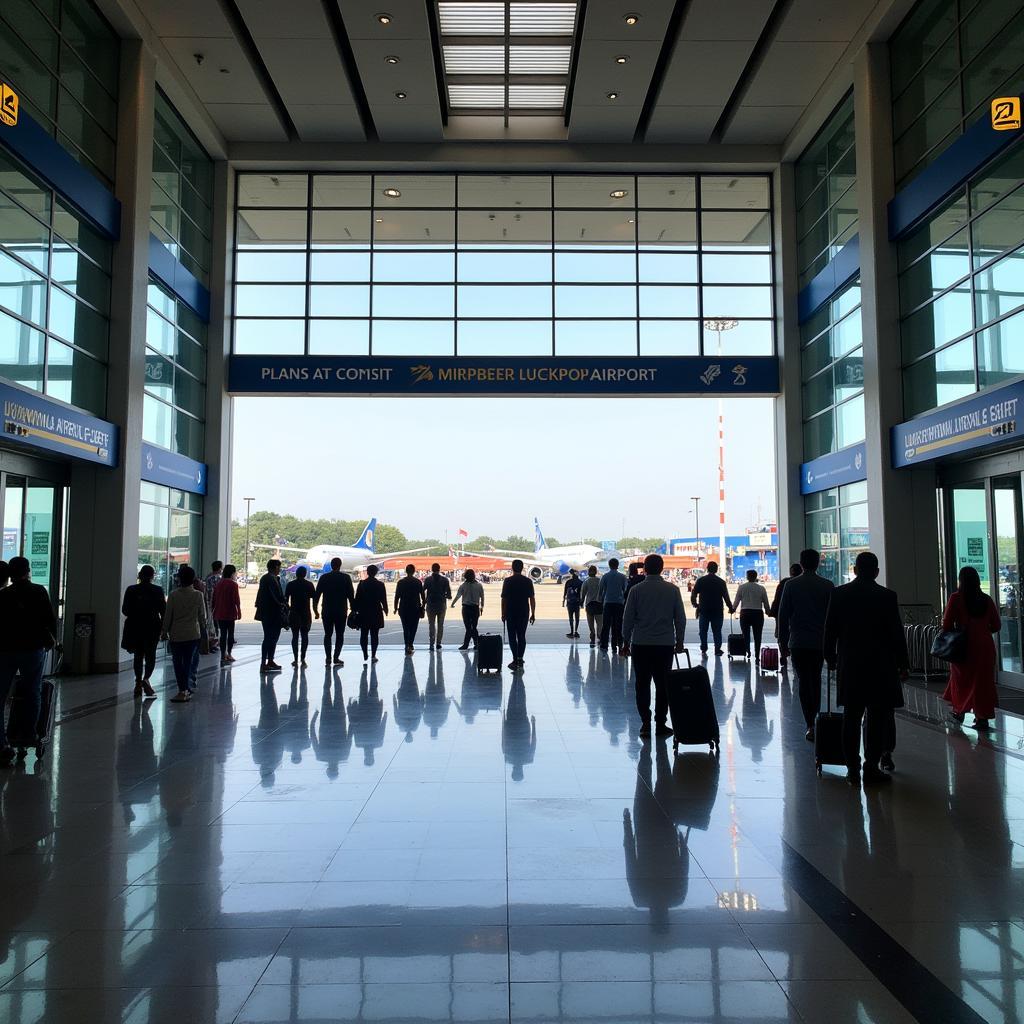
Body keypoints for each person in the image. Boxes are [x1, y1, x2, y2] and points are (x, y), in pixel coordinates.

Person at [824, 552, 909, 786]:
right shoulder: (887, 596)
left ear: (854, 570)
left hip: (850, 665)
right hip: (881, 666)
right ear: (877, 572)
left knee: (851, 717)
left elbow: (830, 629)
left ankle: (852, 767)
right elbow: (896, 634)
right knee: (877, 717)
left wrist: (830, 657)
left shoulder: (839, 594)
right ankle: (871, 766)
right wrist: (903, 663)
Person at [621, 554, 687, 739]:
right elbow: (680, 618)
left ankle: (645, 724)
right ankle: (660, 723)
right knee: (663, 685)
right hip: (664, 645)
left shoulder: (636, 590)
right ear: (662, 568)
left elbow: (628, 619)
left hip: (641, 644)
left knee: (642, 685)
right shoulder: (673, 590)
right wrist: (679, 641)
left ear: (645, 569)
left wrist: (625, 641)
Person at [0, 556, 57, 763]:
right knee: (33, 691)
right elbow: (49, 619)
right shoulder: (38, 591)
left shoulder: (4, 595)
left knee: (2, 694)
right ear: (28, 571)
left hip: (5, 649)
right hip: (33, 648)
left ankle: (2, 743)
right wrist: (53, 639)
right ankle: (28, 733)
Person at [777, 549, 835, 740]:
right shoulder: (827, 586)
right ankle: (816, 718)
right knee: (816, 679)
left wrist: (782, 644)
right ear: (818, 563)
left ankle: (809, 723)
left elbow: (783, 616)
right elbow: (833, 619)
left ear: (801, 564)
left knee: (803, 681)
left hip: (798, 643)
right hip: (819, 643)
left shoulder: (791, 585)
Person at [941, 565, 1001, 731]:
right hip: (985, 647)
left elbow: (946, 624)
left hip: (964, 646)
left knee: (961, 680)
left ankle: (959, 711)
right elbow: (996, 625)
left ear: (961, 581)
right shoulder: (986, 600)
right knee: (983, 682)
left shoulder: (956, 598)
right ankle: (982, 718)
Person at [161, 564, 208, 703]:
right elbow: (202, 617)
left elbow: (168, 616)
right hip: (193, 634)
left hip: (176, 634)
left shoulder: (174, 595)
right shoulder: (198, 595)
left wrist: (164, 632)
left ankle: (182, 689)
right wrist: (204, 633)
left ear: (179, 579)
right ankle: (187, 688)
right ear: (193, 579)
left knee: (177, 662)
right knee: (188, 662)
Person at [121, 564, 166, 697]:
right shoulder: (158, 590)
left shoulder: (131, 590)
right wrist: (165, 628)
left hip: (135, 626)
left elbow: (125, 610)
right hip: (152, 626)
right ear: (153, 576)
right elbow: (163, 610)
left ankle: (138, 683)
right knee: (151, 654)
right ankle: (146, 679)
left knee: (138, 655)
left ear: (140, 575)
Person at [315, 557, 355, 667]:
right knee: (340, 634)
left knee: (327, 634)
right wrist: (354, 609)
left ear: (331, 565)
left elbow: (317, 595)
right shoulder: (346, 578)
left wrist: (315, 610)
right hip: (341, 611)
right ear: (340, 565)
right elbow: (351, 595)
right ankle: (336, 657)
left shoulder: (324, 578)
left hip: (327, 610)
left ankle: (328, 657)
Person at [690, 561, 734, 656]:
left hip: (704, 610)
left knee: (703, 631)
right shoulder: (721, 582)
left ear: (707, 569)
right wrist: (731, 608)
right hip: (717, 611)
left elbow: (694, 593)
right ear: (716, 569)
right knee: (717, 631)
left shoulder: (701, 580)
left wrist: (695, 604)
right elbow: (726, 597)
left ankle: (704, 648)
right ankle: (717, 649)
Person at [501, 559, 536, 670]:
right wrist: (533, 613)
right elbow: (532, 599)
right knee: (521, 636)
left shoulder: (507, 581)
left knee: (512, 637)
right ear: (522, 568)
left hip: (511, 612)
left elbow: (504, 599)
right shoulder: (528, 581)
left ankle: (515, 659)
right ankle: (520, 659)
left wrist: (503, 613)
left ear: (512, 567)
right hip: (523, 612)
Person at [255, 559, 288, 673]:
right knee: (270, 637)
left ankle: (269, 661)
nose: (280, 569)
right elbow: (273, 595)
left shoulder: (269, 578)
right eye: (279, 567)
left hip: (269, 612)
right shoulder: (270, 579)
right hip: (271, 613)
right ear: (275, 567)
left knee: (272, 638)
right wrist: (281, 604)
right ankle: (265, 662)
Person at [735, 569, 772, 662]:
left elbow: (737, 601)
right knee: (757, 635)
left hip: (745, 613)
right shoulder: (761, 588)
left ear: (747, 577)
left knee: (745, 635)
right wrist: (768, 611)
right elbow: (766, 603)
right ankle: (757, 655)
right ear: (756, 577)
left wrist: (732, 609)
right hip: (757, 614)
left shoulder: (742, 587)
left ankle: (747, 651)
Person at [770, 563, 802, 668]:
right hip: (797, 615)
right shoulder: (802, 583)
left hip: (782, 613)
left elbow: (777, 597)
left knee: (782, 634)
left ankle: (784, 654)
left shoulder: (785, 582)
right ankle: (793, 655)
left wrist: (773, 611)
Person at [354, 564, 388, 663]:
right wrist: (385, 609)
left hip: (364, 612)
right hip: (376, 611)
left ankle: (365, 652)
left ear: (367, 572)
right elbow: (383, 599)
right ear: (376, 572)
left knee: (363, 634)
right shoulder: (380, 585)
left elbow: (357, 599)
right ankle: (373, 655)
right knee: (374, 634)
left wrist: (355, 610)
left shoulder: (361, 584)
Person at [285, 565, 317, 667]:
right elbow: (314, 599)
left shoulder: (290, 584)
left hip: (294, 613)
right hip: (305, 613)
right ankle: (303, 659)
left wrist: (288, 611)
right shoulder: (309, 585)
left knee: (295, 636)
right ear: (305, 574)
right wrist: (315, 611)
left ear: (296, 574)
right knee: (305, 636)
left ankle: (295, 659)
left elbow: (286, 600)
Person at [211, 563, 241, 664]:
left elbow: (214, 599)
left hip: (219, 612)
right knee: (231, 634)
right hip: (230, 612)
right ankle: (229, 654)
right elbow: (236, 600)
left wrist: (213, 610)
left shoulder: (218, 584)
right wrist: (239, 611)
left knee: (223, 635)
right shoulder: (233, 584)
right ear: (232, 573)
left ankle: (223, 655)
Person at [394, 564, 425, 655]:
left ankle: (406, 644)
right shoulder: (418, 582)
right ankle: (410, 644)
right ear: (414, 571)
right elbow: (423, 596)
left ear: (406, 571)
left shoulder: (400, 582)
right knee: (413, 627)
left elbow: (397, 596)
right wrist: (423, 607)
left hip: (403, 608)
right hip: (415, 608)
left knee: (405, 627)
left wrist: (396, 608)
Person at [599, 557, 628, 652]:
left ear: (609, 565)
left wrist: (600, 601)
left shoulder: (605, 576)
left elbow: (601, 590)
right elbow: (625, 589)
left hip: (608, 603)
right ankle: (618, 644)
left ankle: (604, 644)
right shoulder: (622, 576)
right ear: (617, 565)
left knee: (606, 624)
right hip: (619, 603)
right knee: (618, 624)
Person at [452, 568, 485, 650]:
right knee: (474, 627)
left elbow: (458, 596)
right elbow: (482, 597)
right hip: (475, 608)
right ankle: (476, 644)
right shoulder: (479, 585)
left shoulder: (463, 586)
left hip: (466, 608)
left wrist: (452, 604)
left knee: (468, 628)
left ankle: (466, 644)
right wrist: (482, 607)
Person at [423, 564, 452, 649]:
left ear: (431, 569)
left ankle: (431, 643)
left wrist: (424, 601)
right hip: (441, 604)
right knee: (440, 624)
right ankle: (438, 643)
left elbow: (422, 590)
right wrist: (445, 595)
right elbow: (449, 594)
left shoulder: (428, 580)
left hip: (430, 604)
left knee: (431, 624)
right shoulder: (445, 580)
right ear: (439, 569)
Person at [203, 560, 223, 649]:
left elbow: (207, 590)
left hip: (208, 602)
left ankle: (211, 640)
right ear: (219, 568)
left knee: (211, 621)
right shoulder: (219, 578)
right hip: (217, 603)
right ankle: (216, 640)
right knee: (217, 622)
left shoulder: (208, 577)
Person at [580, 565, 602, 647]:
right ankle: (599, 635)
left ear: (589, 572)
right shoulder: (600, 581)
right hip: (599, 604)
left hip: (589, 604)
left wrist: (581, 602)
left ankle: (592, 634)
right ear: (596, 572)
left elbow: (583, 593)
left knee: (590, 622)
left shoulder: (586, 581)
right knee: (600, 623)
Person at [563, 569, 583, 638]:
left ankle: (572, 631)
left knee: (571, 617)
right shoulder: (580, 582)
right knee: (577, 617)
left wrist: (563, 601)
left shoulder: (568, 582)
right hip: (577, 602)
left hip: (570, 602)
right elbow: (582, 594)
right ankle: (576, 631)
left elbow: (565, 592)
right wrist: (582, 603)